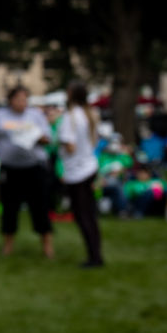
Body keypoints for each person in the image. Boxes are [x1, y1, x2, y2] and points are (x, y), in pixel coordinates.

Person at [0, 86, 54, 257]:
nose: (22, 103)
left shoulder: (35, 116)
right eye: (18, 99)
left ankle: (47, 245)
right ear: (10, 100)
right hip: (10, 169)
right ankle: (8, 246)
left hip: (34, 167)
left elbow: (48, 139)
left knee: (39, 207)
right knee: (9, 207)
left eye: (25, 99)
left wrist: (37, 138)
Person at [57, 81, 103, 267]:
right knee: (90, 216)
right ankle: (95, 254)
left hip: (77, 172)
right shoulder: (89, 114)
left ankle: (94, 258)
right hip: (89, 167)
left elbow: (70, 146)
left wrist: (58, 145)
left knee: (83, 216)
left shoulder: (71, 117)